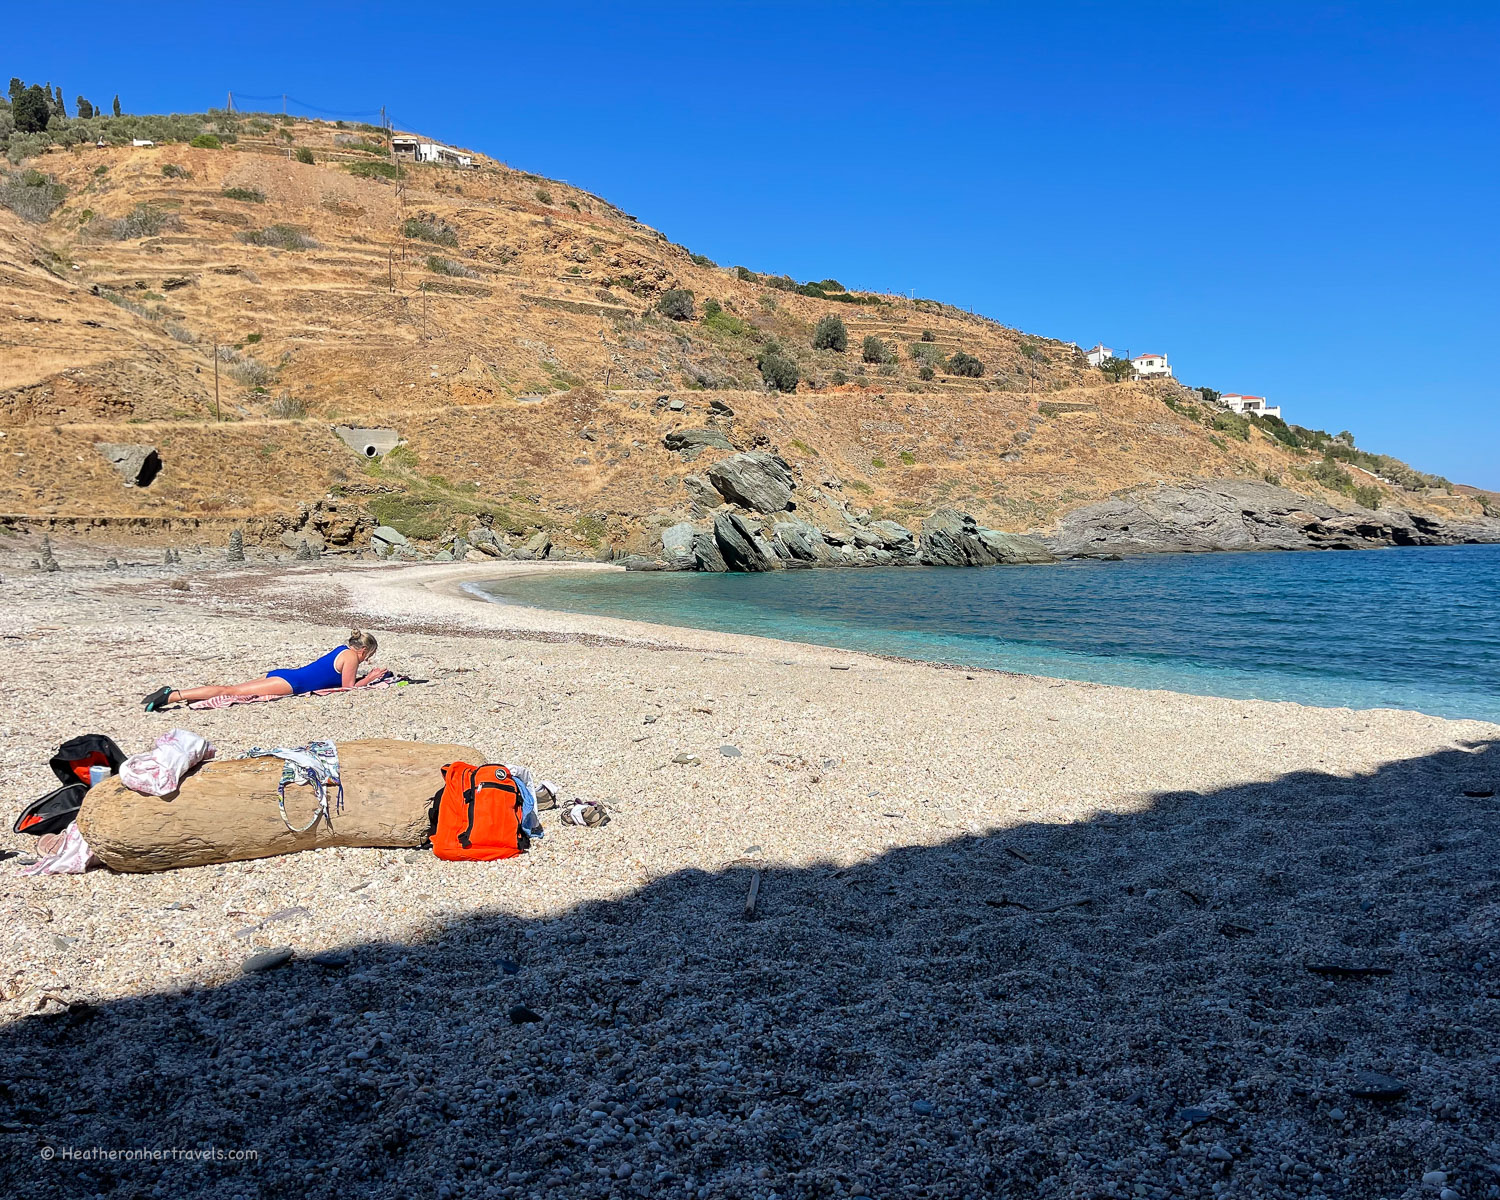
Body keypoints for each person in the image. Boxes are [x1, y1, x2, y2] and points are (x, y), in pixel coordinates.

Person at [141, 630, 389, 711]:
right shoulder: (352, 658)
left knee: (234, 689)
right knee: (231, 691)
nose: (368, 660)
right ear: (364, 651)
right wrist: (370, 678)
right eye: (370, 655)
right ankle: (172, 695)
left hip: (288, 674)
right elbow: (347, 687)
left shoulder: (341, 650)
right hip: (292, 683)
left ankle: (174, 695)